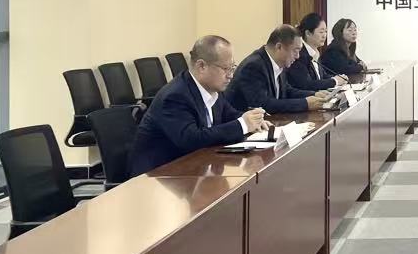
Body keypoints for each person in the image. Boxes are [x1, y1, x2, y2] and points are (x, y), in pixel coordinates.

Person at [130, 35, 268, 175]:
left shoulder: (212, 89)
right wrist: (243, 125)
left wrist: (254, 120)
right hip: (158, 176)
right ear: (201, 66)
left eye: (232, 68)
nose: (230, 75)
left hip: (192, 167)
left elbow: (230, 114)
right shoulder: (175, 96)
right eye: (226, 68)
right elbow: (192, 139)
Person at [225, 24, 332, 115]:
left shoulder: (279, 62)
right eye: (295, 50)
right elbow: (263, 104)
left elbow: (286, 90)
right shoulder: (254, 66)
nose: (298, 56)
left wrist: (313, 94)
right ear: (279, 47)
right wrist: (305, 103)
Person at [286, 12, 350, 92]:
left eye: (325, 31)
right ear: (308, 33)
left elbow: (322, 76)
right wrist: (335, 81)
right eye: (321, 32)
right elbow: (306, 84)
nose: (324, 35)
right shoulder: (299, 54)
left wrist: (339, 78)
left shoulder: (315, 52)